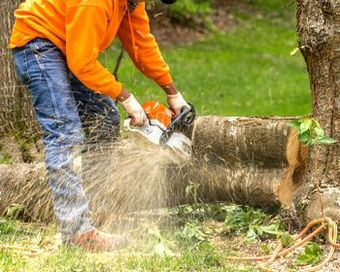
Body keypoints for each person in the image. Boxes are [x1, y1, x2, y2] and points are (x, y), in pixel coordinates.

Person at [9, 0, 189, 252]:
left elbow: (140, 44)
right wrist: (125, 97)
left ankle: (96, 210)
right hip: (40, 44)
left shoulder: (130, 3)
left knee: (103, 117)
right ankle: (77, 233)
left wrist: (171, 91)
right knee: (64, 133)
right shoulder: (94, 2)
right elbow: (82, 62)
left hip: (68, 46)